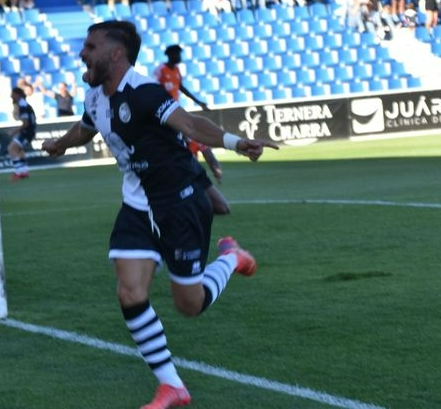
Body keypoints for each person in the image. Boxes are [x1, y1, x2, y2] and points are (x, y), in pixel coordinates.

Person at [41, 21, 277, 409]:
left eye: (90, 46)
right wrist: (59, 145)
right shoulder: (94, 96)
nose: (83, 53)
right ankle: (172, 386)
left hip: (178, 203)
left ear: (116, 54)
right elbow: (85, 129)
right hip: (137, 203)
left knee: (190, 304)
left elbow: (188, 123)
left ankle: (231, 258)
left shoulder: (145, 92)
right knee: (129, 289)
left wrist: (236, 141)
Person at [155, 44, 229, 215]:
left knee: (220, 208)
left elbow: (181, 87)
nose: (180, 56)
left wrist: (198, 102)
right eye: (177, 54)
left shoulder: (177, 72)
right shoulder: (160, 70)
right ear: (170, 54)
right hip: (164, 114)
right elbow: (152, 90)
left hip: (174, 113)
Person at [8, 86, 37, 180]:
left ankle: (18, 172)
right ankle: (24, 171)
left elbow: (26, 124)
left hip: (27, 132)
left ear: (17, 95)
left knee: (11, 148)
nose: (11, 96)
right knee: (18, 150)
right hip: (30, 131)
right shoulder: (23, 104)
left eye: (12, 95)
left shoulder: (23, 105)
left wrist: (14, 131)